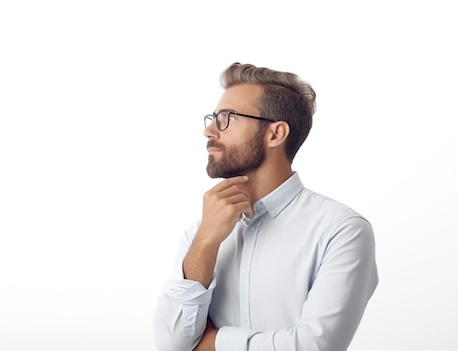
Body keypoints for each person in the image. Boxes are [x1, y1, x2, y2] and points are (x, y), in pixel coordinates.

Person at [153, 62, 378, 351]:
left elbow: (314, 347)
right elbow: (169, 345)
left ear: (275, 134)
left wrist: (213, 343)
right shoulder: (200, 232)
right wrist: (207, 240)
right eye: (213, 118)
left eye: (226, 118)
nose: (210, 130)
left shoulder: (342, 230)